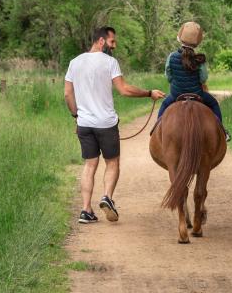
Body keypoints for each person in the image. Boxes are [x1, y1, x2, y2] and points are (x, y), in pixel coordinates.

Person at [64, 26, 165, 224]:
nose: (114, 46)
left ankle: (85, 210)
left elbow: (68, 93)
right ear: (101, 41)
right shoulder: (110, 62)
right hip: (106, 124)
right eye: (112, 42)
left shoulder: (74, 62)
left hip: (84, 124)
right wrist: (148, 93)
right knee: (112, 162)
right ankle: (107, 197)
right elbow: (124, 90)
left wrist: (76, 116)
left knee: (90, 164)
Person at [157, 21, 230, 141]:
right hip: (197, 94)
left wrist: (175, 81)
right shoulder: (199, 59)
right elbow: (203, 78)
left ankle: (158, 132)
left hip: (176, 94)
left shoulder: (171, 56)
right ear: (197, 42)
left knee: (164, 104)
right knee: (214, 103)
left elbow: (168, 76)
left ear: (180, 38)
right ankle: (222, 132)